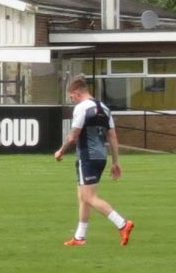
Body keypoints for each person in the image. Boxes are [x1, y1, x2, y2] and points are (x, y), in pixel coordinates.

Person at [52, 78, 132, 246]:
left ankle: (122, 224)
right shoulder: (104, 108)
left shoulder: (81, 108)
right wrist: (116, 162)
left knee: (89, 197)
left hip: (87, 157)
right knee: (83, 196)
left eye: (71, 97)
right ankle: (79, 237)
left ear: (77, 93)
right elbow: (113, 136)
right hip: (101, 157)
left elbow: (73, 135)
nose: (72, 100)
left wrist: (60, 151)